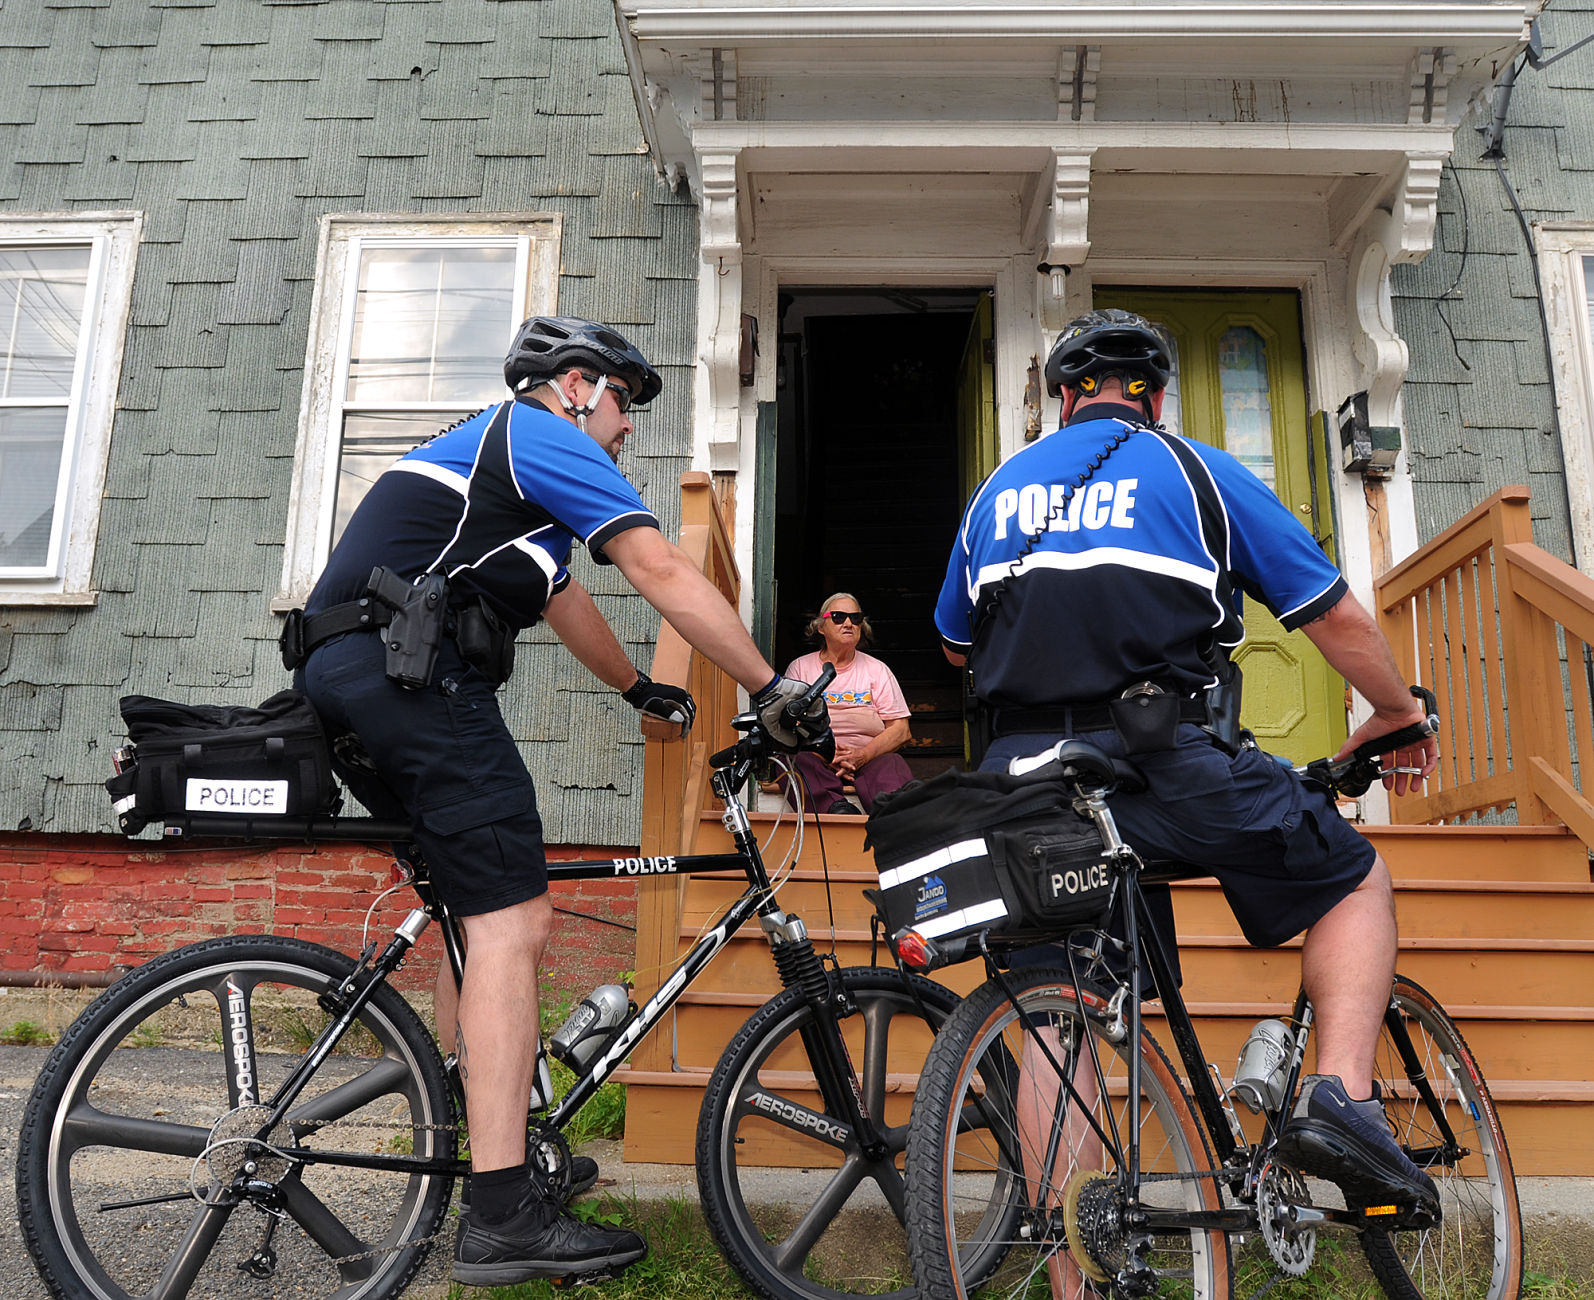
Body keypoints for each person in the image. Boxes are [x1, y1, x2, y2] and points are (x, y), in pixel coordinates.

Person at [290, 316, 826, 1287]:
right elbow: (659, 565)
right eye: (624, 404)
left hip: (343, 672)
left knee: (470, 913)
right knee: (515, 919)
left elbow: (562, 598)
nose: (626, 432)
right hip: (408, 676)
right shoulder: (533, 434)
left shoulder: (497, 486)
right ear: (576, 385)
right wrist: (768, 686)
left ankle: (485, 1141)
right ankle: (500, 1214)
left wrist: (638, 691)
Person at [934, 309, 1440, 1294]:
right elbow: (1329, 612)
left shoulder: (997, 493)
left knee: (1059, 1014)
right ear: (1153, 395)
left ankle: (1074, 1275)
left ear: (1063, 397)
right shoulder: (1191, 468)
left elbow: (956, 646)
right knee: (1350, 880)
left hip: (1024, 784)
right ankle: (1339, 1094)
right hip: (1162, 762)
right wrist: (1391, 710)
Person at [782, 593, 915, 814]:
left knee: (892, 763)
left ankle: (896, 814)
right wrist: (824, 753)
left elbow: (900, 730)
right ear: (821, 627)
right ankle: (836, 810)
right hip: (815, 756)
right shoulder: (800, 668)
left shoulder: (877, 669)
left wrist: (862, 755)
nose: (848, 623)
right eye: (838, 616)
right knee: (795, 763)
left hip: (869, 757)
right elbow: (787, 724)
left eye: (855, 618)